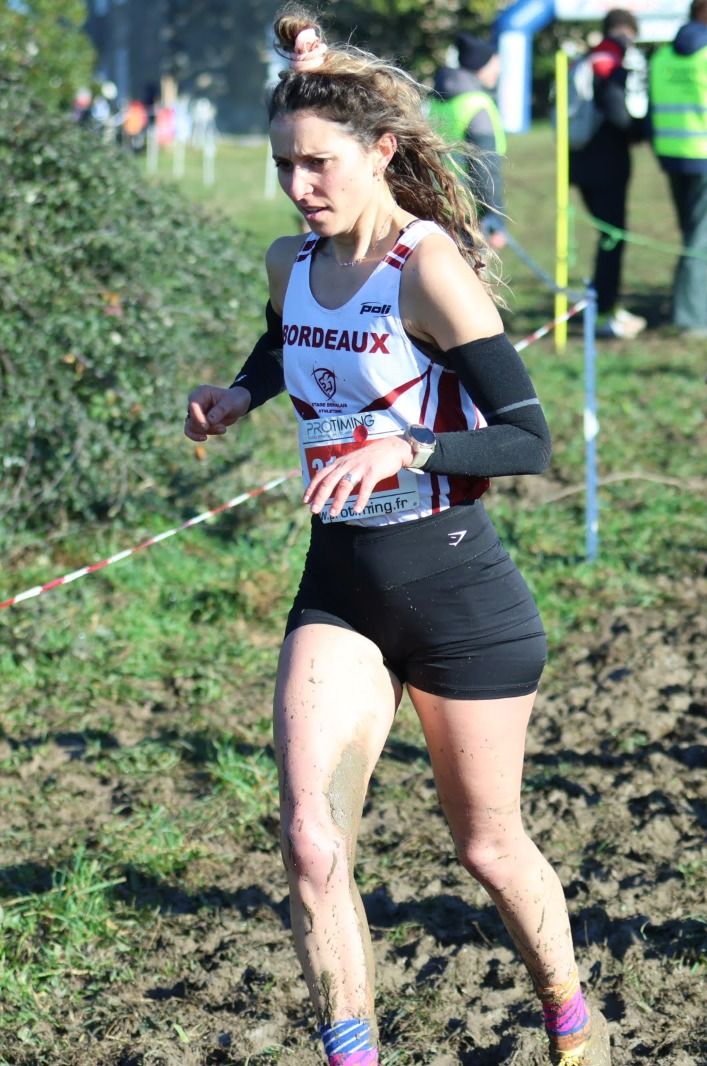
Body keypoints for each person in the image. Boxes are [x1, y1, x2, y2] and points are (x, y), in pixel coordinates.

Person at [185, 8, 611, 1065]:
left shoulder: (428, 269)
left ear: (380, 152)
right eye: (284, 165)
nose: (298, 188)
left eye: (318, 164)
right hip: (339, 588)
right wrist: (237, 395)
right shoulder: (292, 259)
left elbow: (527, 438)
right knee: (310, 839)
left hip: (459, 598)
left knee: (487, 846)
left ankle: (568, 1014)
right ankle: (351, 1051)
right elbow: (289, 340)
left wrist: (409, 448)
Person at [569, 8, 648, 339]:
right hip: (604, 162)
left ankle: (603, 304)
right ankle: (604, 310)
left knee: (609, 235)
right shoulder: (609, 56)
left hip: (581, 159)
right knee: (612, 237)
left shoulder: (590, 55)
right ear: (628, 31)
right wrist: (638, 131)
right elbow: (613, 102)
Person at [649, 0, 707, 339]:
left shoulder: (662, 57)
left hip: (673, 156)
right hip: (703, 156)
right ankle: (692, 319)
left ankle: (692, 304)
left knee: (693, 235)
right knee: (700, 240)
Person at [429, 33, 508, 249]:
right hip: (468, 213)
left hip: (433, 204)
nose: (498, 71)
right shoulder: (477, 104)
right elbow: (485, 171)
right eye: (495, 64)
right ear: (481, 66)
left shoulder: (434, 99)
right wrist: (495, 220)